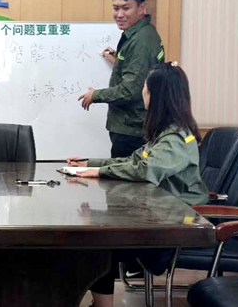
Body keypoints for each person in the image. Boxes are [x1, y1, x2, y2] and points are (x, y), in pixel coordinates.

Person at [68, 62, 209, 307]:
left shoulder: (176, 138)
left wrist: (99, 171)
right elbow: (134, 160)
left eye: (145, 88)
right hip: (162, 218)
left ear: (157, 96)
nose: (143, 92)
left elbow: (146, 170)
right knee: (96, 241)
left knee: (96, 246)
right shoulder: (166, 133)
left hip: (175, 228)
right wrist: (89, 163)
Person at [78, 0, 165, 158]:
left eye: (126, 8)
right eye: (116, 8)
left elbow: (131, 90)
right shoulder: (139, 35)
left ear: (141, 8)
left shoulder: (142, 41)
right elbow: (140, 71)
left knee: (122, 175)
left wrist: (96, 95)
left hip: (132, 130)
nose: (119, 14)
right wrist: (118, 59)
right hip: (131, 127)